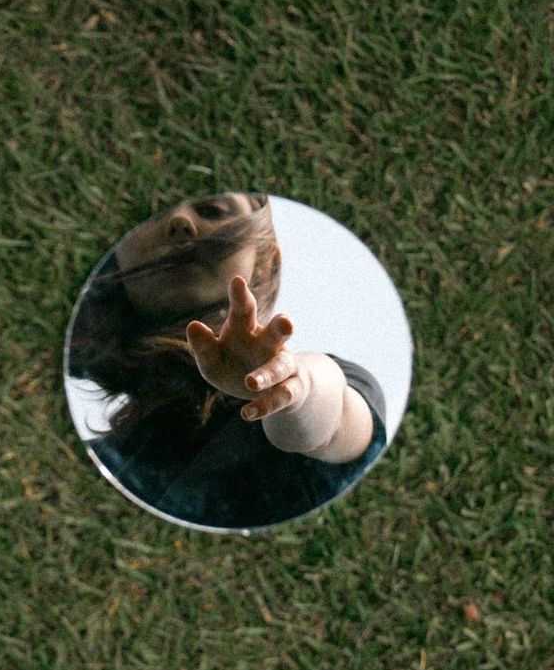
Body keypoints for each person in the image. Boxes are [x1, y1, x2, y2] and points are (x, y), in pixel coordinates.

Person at [67, 192, 386, 529]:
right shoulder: (98, 459)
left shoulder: (324, 377)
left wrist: (292, 387)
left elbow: (333, 423)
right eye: (149, 213)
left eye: (213, 210)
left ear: (265, 264)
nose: (179, 222)